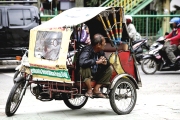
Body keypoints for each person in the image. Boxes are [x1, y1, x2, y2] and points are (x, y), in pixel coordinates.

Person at [79, 34, 112, 98]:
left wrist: (105, 63)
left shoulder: (101, 51)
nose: (105, 44)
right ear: (98, 45)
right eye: (104, 42)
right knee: (85, 68)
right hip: (84, 75)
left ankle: (96, 89)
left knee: (109, 69)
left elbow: (107, 62)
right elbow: (82, 62)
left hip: (95, 73)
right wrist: (96, 62)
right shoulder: (87, 49)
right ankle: (89, 89)